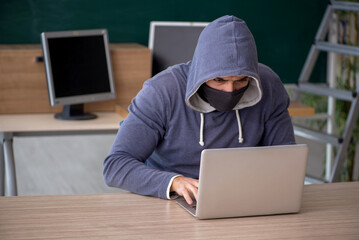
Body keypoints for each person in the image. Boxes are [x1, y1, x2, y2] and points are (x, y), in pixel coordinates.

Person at [103, 15, 295, 205]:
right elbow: (115, 166)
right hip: (172, 201)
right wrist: (174, 182)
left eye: (241, 80)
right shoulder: (161, 91)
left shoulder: (269, 86)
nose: (230, 91)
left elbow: (286, 160)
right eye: (219, 80)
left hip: (245, 198)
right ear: (202, 72)